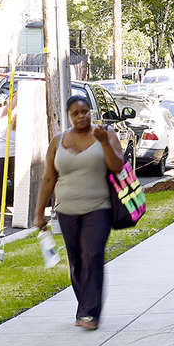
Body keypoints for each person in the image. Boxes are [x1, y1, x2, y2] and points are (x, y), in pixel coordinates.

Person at [35, 91, 125, 330]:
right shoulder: (58, 141)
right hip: (66, 210)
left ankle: (90, 313)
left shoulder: (105, 135)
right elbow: (48, 179)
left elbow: (118, 167)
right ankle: (85, 307)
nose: (81, 117)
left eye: (84, 112)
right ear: (69, 116)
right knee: (76, 261)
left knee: (92, 255)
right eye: (75, 113)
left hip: (99, 207)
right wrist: (39, 213)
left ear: (90, 112)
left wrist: (104, 142)